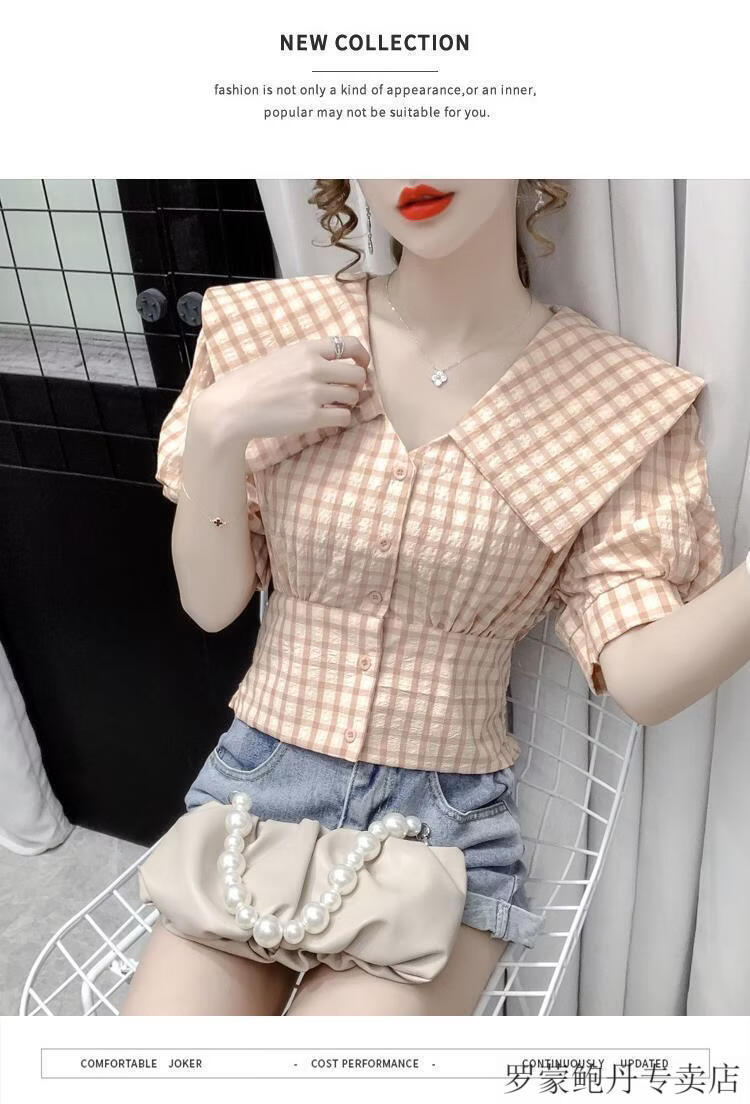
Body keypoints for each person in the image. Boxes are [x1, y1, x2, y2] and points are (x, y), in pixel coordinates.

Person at [121, 179, 739, 1016]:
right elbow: (211, 602)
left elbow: (642, 677)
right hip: (252, 795)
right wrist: (219, 425)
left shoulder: (608, 400)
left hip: (438, 832)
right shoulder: (271, 332)